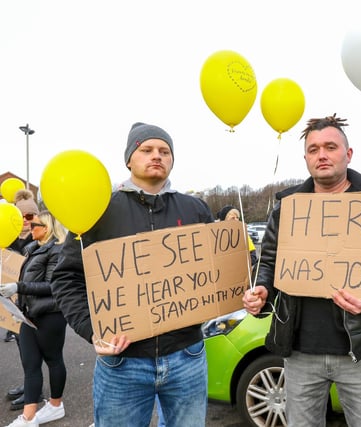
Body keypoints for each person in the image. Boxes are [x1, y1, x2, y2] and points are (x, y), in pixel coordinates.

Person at [51, 122, 215, 426]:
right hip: (122, 362)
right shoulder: (98, 209)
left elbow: (217, 270)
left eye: (165, 151)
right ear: (129, 158)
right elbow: (66, 278)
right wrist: (91, 328)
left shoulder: (196, 209)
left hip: (187, 356)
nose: (157, 156)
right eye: (147, 149)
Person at [242, 114, 361, 427]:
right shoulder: (288, 204)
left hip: (360, 351)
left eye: (330, 147)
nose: (322, 155)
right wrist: (262, 293)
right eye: (313, 150)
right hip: (300, 352)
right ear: (305, 158)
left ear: (348, 154)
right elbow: (269, 261)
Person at [0, 210, 69, 427]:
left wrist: (18, 287)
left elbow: (53, 286)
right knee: (30, 364)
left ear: (47, 228)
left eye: (34, 225)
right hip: (27, 314)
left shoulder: (58, 250)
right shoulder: (32, 249)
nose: (30, 229)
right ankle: (28, 417)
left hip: (50, 315)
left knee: (53, 360)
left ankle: (56, 405)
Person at [5, 189, 42, 408]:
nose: (26, 222)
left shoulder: (40, 239)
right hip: (15, 305)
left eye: (30, 217)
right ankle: (28, 385)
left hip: (36, 305)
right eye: (21, 217)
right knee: (23, 348)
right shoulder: (9, 237)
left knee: (35, 351)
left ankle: (34, 392)